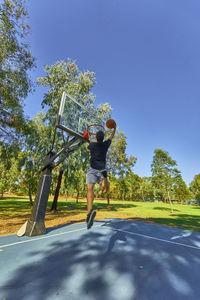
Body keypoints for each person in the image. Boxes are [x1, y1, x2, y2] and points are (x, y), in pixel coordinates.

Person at [86, 124, 116, 229]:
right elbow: (111, 137)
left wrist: (87, 137)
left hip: (92, 169)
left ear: (96, 137)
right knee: (104, 191)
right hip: (102, 170)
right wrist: (114, 128)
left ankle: (89, 213)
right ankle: (106, 181)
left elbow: (87, 149)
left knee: (89, 190)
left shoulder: (92, 145)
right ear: (103, 138)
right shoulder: (105, 145)